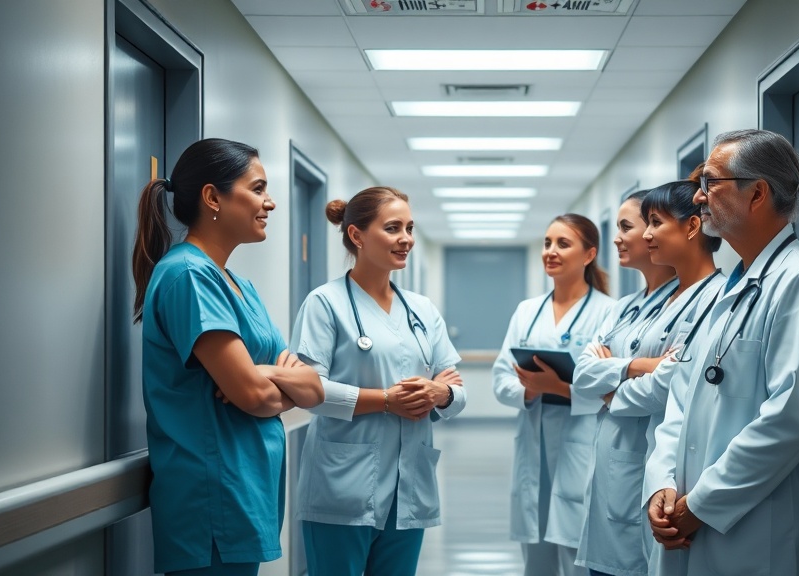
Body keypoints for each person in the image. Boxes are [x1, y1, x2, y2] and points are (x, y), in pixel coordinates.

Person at [646, 129, 799, 576]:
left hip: (763, 532)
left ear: (756, 194)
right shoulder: (733, 286)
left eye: (709, 184)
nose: (698, 199)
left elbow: (789, 419)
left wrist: (700, 505)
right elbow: (680, 398)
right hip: (691, 516)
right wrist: (660, 484)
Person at [132, 138, 325, 576]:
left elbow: (313, 387)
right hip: (212, 498)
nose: (270, 202)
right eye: (257, 189)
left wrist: (266, 375)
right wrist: (275, 381)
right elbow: (256, 396)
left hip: (246, 490)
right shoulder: (189, 276)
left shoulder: (239, 285)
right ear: (212, 197)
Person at [289, 186, 465, 576]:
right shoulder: (325, 303)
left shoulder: (422, 309)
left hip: (409, 487)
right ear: (357, 235)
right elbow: (308, 390)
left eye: (410, 227)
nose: (406, 239)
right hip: (343, 487)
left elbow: (456, 386)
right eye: (393, 228)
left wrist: (442, 392)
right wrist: (386, 400)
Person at [573, 181, 723, 576]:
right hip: (616, 462)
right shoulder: (637, 305)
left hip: (652, 464)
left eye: (651, 223)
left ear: (691, 227)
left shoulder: (716, 298)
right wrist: (635, 367)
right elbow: (583, 371)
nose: (645, 234)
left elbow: (671, 384)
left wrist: (610, 391)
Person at [493, 214, 615, 576]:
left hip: (583, 441)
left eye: (563, 243)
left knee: (578, 553)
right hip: (534, 441)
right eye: (547, 243)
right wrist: (528, 391)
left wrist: (560, 388)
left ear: (589, 253)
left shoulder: (609, 312)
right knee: (536, 560)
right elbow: (501, 376)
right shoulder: (527, 311)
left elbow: (611, 388)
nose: (551, 251)